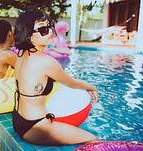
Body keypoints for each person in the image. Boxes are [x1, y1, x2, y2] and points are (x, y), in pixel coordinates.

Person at [13, 9, 100, 146]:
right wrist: (91, 87)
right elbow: (73, 84)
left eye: (49, 26)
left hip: (18, 119)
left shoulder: (21, 55)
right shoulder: (45, 61)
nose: (50, 32)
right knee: (94, 140)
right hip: (34, 126)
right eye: (43, 29)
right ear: (28, 35)